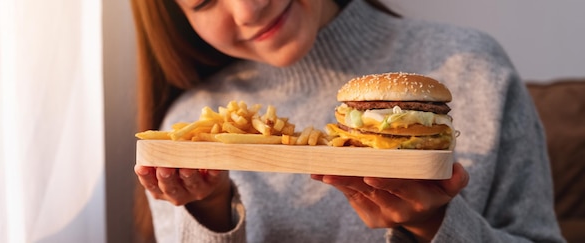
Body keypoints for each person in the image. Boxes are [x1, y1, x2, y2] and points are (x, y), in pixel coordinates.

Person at [130, 0, 566, 242]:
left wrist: (433, 226)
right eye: (204, 0)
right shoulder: (186, 129)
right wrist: (210, 214)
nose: (249, 9)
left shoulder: (473, 67)